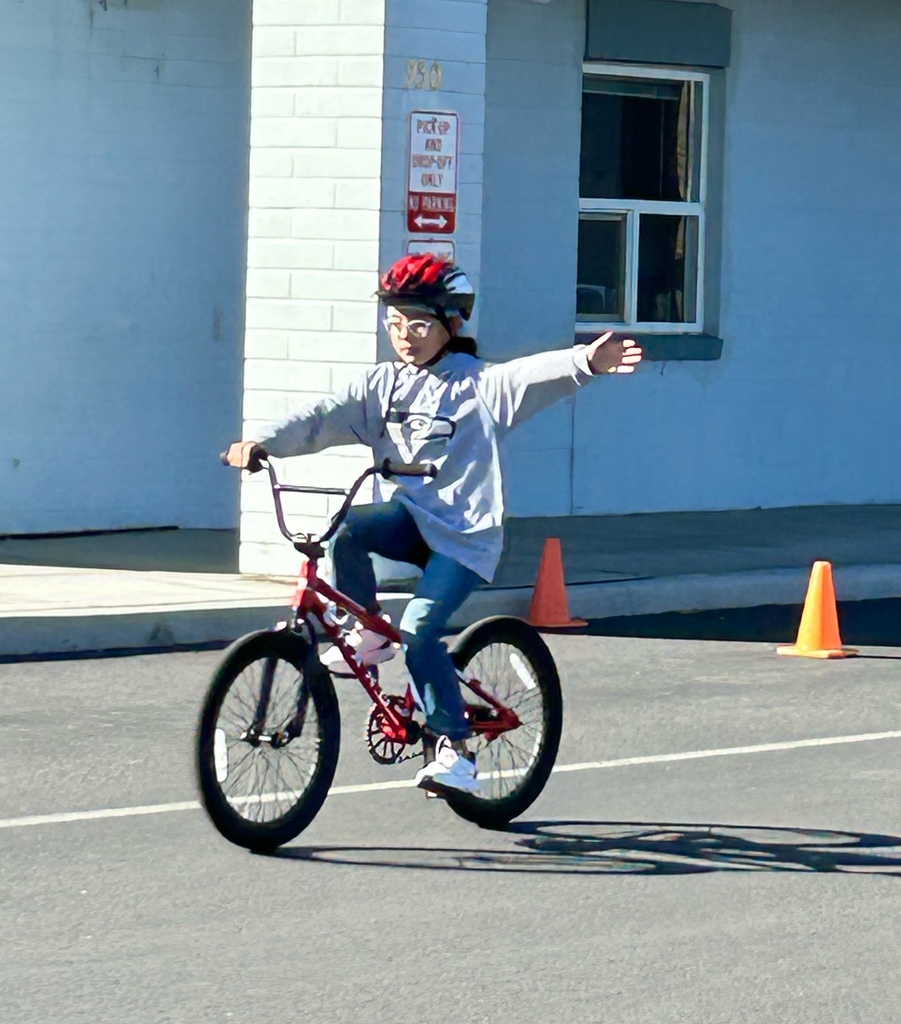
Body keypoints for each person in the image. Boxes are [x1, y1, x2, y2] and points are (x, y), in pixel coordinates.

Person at [225, 253, 642, 797]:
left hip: (465, 536)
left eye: (419, 324)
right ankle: (370, 630)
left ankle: (456, 750)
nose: (405, 336)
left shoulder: (479, 387)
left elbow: (531, 375)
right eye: (395, 323)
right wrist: (262, 442)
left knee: (421, 633)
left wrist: (588, 360)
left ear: (453, 323)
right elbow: (321, 416)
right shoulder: (383, 386)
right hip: (413, 518)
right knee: (350, 527)